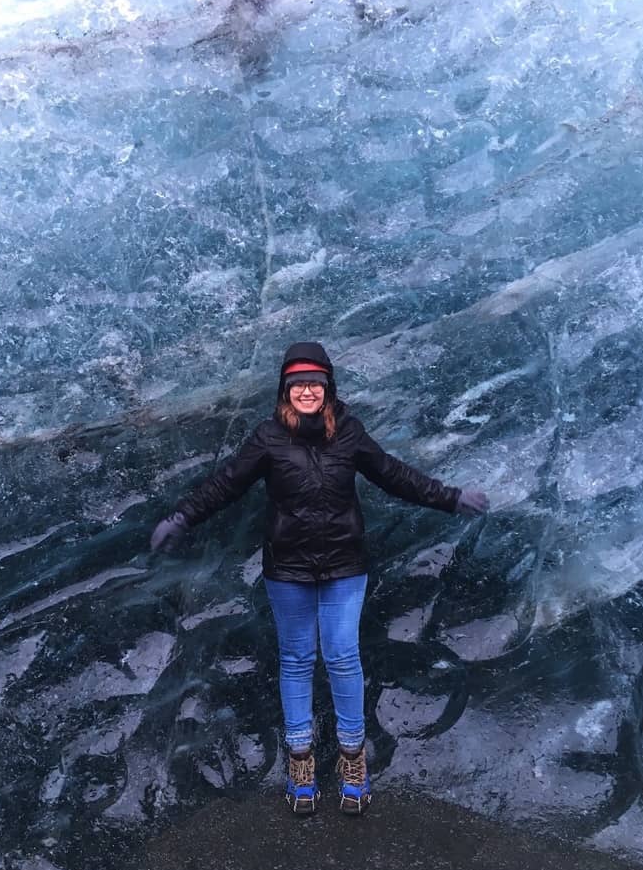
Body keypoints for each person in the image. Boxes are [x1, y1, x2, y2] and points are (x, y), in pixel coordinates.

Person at [151, 341, 489, 816]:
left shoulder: (349, 432)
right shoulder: (268, 437)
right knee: (296, 660)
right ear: (285, 390)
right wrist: (182, 517)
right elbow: (225, 484)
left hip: (344, 566)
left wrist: (450, 497)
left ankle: (353, 760)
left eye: (314, 383)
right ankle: (301, 763)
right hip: (287, 569)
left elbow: (393, 475)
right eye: (297, 384)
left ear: (328, 387)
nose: (306, 391)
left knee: (342, 656)